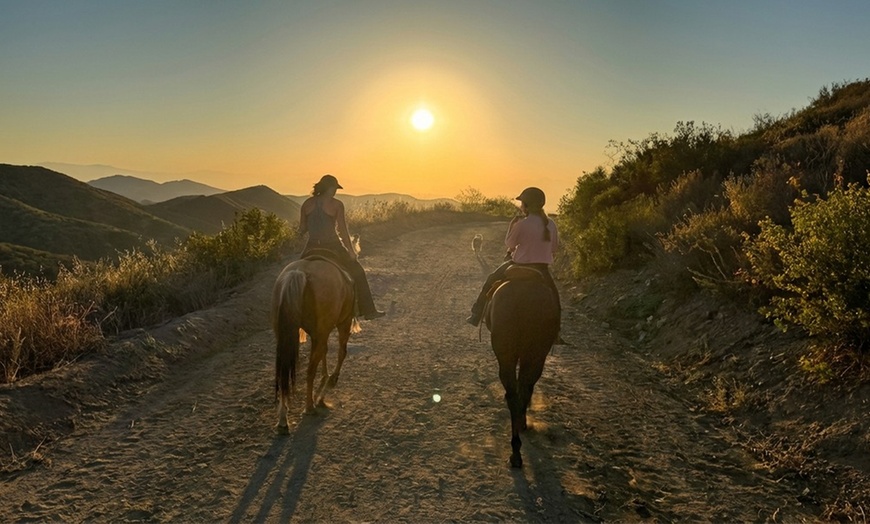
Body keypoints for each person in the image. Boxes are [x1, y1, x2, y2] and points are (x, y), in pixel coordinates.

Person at [466, 187, 561, 329]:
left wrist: (512, 226)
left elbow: (509, 244)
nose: (521, 205)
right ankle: (556, 330)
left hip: (518, 265)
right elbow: (554, 249)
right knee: (555, 298)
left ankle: (476, 314)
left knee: (490, 280)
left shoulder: (521, 224)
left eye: (522, 203)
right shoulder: (551, 224)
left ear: (526, 205)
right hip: (541, 269)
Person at [299, 174, 385, 320]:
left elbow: (302, 229)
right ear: (331, 188)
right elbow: (343, 231)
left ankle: (293, 311)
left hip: (312, 245)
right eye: (335, 188)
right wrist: (351, 252)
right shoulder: (337, 204)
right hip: (332, 245)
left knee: (296, 273)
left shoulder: (307, 204)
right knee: (358, 272)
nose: (335, 191)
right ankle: (369, 310)